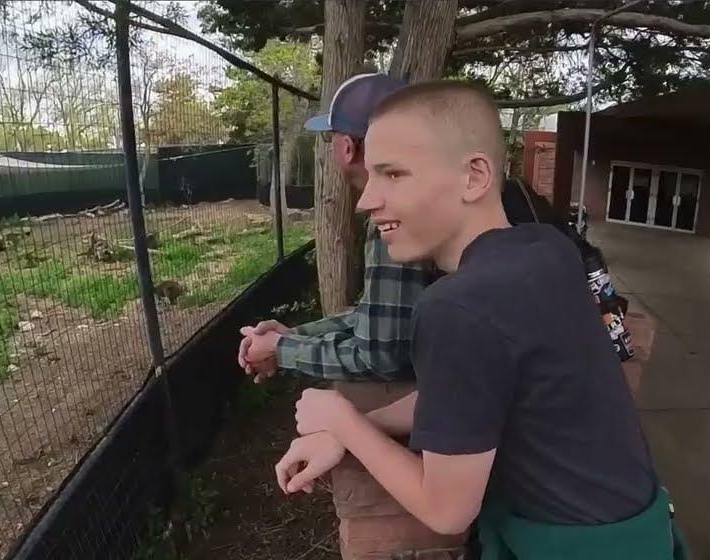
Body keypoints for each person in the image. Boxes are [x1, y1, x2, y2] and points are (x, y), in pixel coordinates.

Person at [272, 81, 704, 560]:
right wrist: (354, 426)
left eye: (393, 173)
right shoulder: (544, 250)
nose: (368, 199)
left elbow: (446, 510)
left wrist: (337, 415)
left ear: (475, 175)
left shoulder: (459, 307)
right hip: (638, 556)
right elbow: (458, 399)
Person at [237, 73, 608, 384]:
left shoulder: (406, 229)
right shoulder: (538, 239)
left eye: (395, 174)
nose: (370, 201)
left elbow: (384, 354)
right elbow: (386, 317)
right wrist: (295, 336)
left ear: (347, 147)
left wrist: (288, 356)